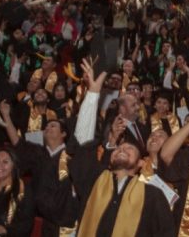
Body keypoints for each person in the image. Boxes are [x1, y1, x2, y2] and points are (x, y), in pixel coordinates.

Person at [72, 61, 175, 237]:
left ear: (141, 162)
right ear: (110, 158)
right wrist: (93, 93)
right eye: (119, 148)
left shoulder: (153, 195)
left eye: (129, 149)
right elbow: (82, 144)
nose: (122, 148)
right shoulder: (94, 181)